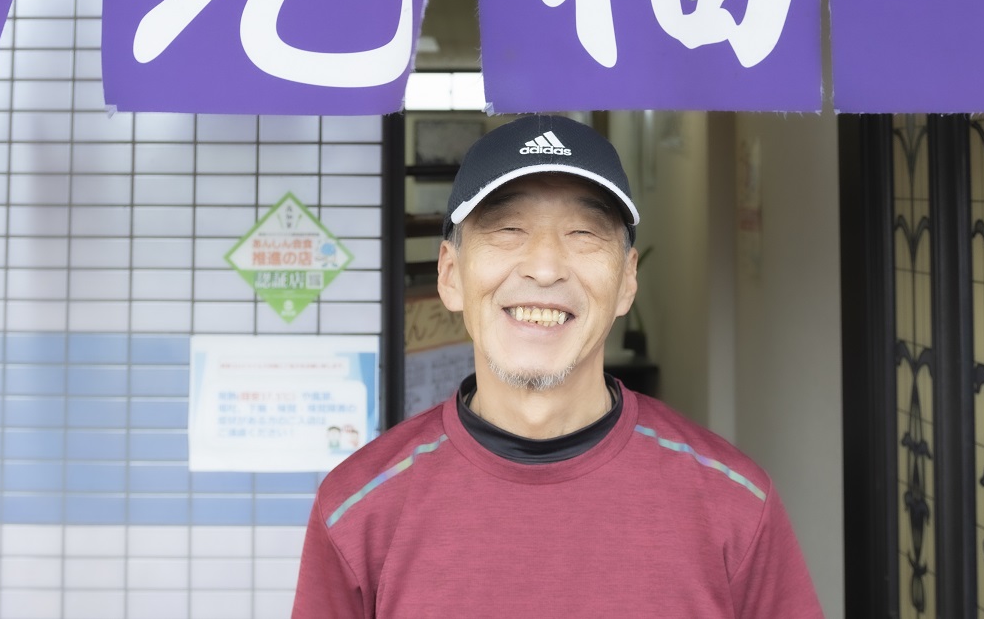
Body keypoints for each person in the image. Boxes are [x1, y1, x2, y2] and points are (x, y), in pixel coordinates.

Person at [293, 114, 823, 618]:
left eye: (584, 234)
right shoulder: (357, 511)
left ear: (627, 281)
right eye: (507, 229)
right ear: (450, 274)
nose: (545, 267)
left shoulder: (734, 505)